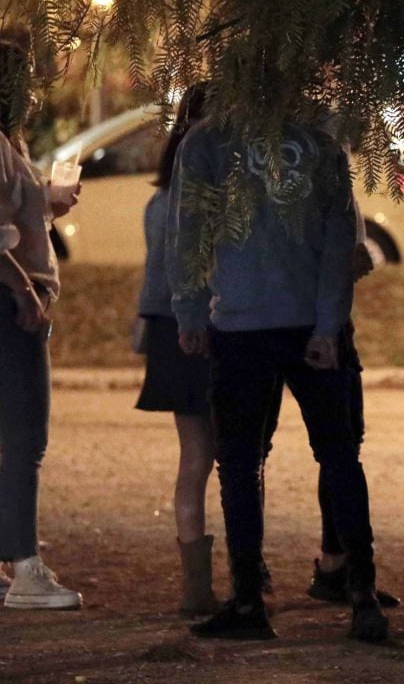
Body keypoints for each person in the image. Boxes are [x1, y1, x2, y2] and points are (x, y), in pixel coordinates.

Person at [167, 115, 389, 642]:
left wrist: (190, 312)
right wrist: (329, 325)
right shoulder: (319, 141)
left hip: (241, 324)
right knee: (338, 457)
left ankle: (248, 602)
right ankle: (363, 594)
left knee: (240, 464)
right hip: (307, 322)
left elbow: (189, 230)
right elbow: (341, 241)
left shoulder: (209, 139)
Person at [0, 40, 82, 610]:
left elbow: (1, 209)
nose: (36, 93)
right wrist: (24, 291)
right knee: (24, 440)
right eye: (27, 82)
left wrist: (45, 200)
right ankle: (25, 569)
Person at [134, 83, 227, 616]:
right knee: (236, 456)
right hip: (210, 327)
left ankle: (198, 585)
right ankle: (236, 573)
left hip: (169, 329)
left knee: (195, 457)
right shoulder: (208, 199)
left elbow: (154, 274)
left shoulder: (159, 198)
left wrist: (141, 324)